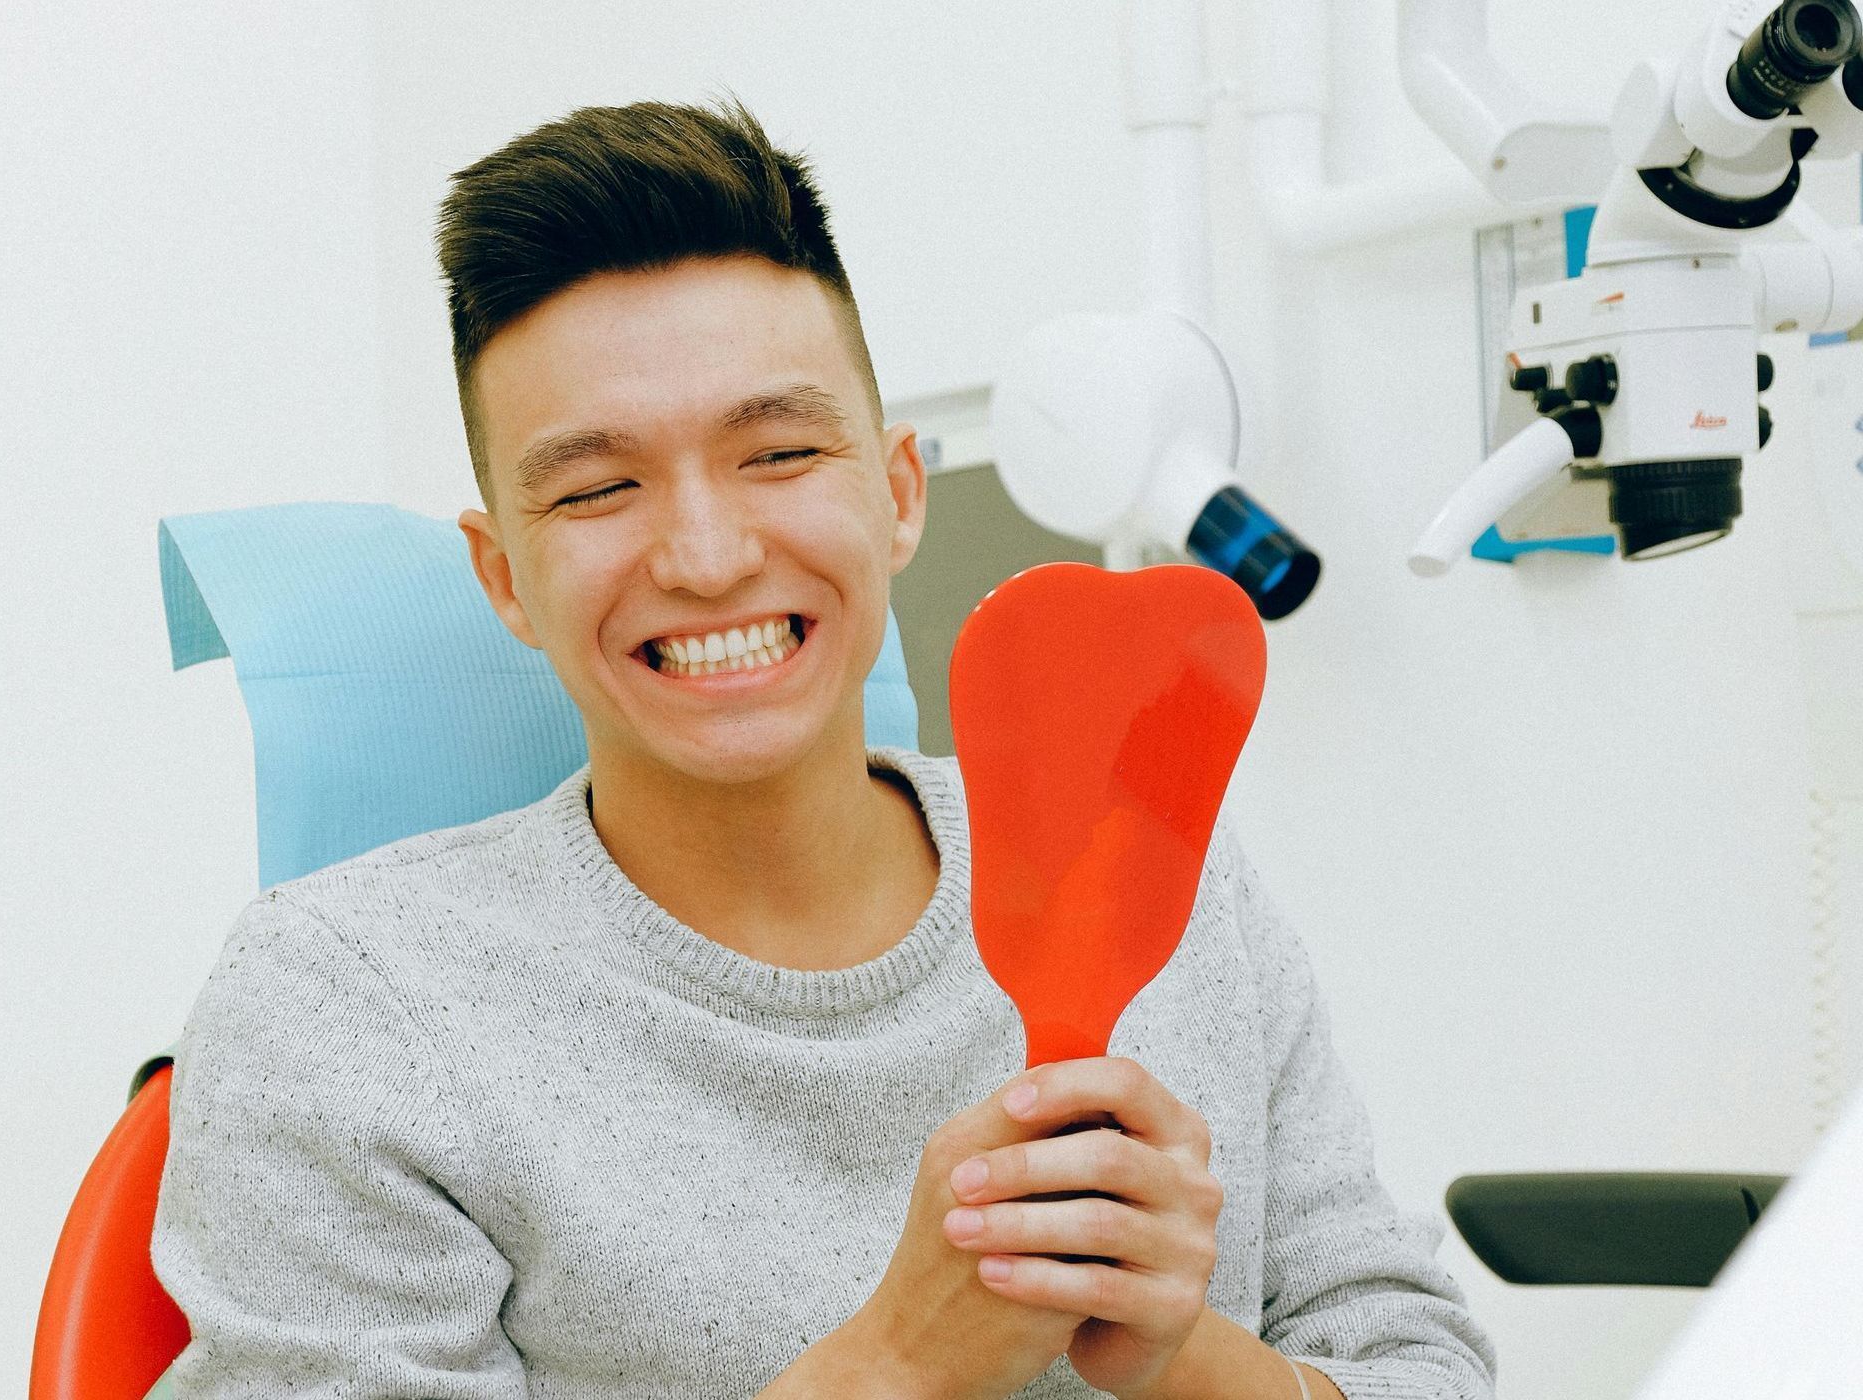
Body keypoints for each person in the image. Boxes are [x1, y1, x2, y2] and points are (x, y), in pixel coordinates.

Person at [151, 96, 1496, 1400]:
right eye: (601, 487)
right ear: (504, 577)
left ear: (898, 493)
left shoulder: (1168, 883)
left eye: (780, 452)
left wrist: (1186, 1360)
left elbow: (1414, 1360)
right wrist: (898, 1366)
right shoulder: (345, 1007)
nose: (708, 553)